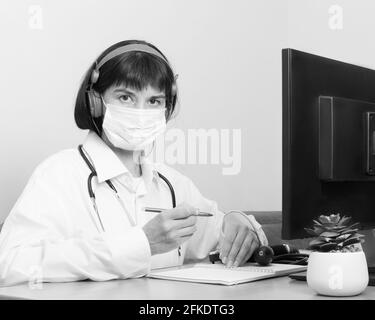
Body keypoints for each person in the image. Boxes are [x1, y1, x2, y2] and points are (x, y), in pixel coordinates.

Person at [0, 40, 267, 286]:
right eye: (126, 97)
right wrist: (142, 243)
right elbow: (9, 265)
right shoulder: (59, 174)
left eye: (154, 101)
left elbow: (224, 236)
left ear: (167, 109)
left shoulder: (170, 183)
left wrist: (241, 223)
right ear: (96, 102)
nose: (140, 113)